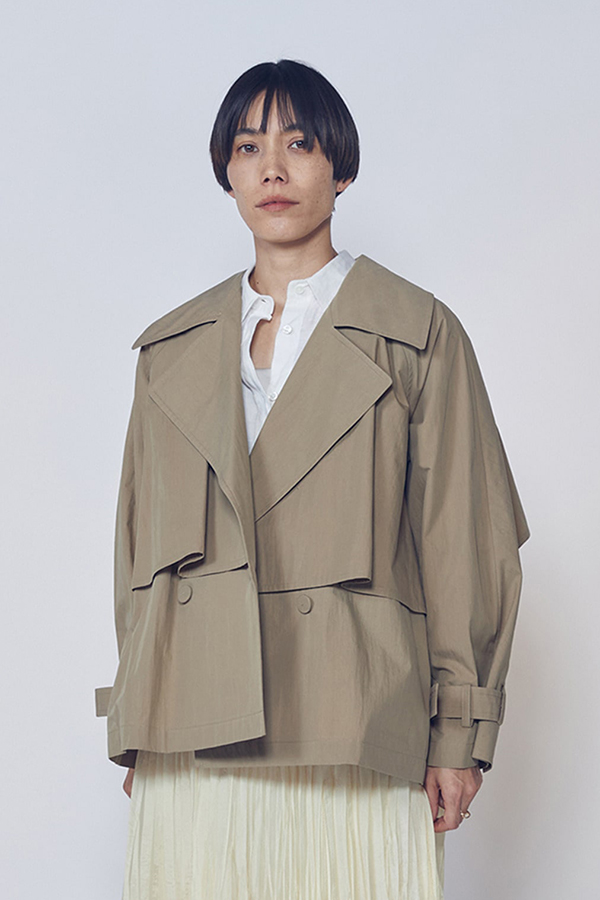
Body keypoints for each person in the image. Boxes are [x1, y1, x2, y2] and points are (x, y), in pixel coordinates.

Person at [96, 59, 529, 899]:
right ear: (225, 172)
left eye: (298, 144)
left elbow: (464, 543)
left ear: (342, 167)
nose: (273, 168)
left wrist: (459, 734)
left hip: (356, 720)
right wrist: (141, 715)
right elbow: (136, 552)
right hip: (194, 723)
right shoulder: (169, 350)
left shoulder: (417, 334)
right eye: (248, 147)